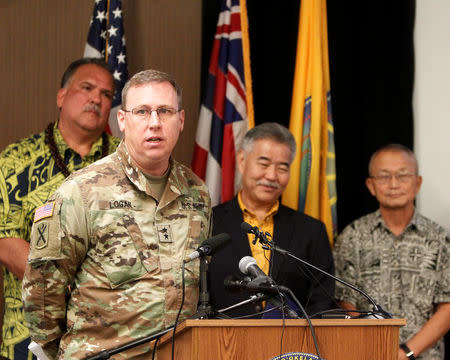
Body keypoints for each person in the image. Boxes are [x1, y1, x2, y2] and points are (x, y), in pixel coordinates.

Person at [22, 69, 212, 360]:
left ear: (181, 120)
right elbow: (43, 291)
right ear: (122, 120)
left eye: (165, 111)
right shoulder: (82, 192)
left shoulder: (196, 193)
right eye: (142, 111)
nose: (154, 123)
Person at [0, 58, 119, 360]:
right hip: (29, 340)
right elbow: (6, 242)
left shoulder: (128, 161)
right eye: (87, 88)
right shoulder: (15, 160)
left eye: (106, 94)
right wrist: (76, 289)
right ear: (61, 97)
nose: (96, 98)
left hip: (113, 338)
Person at [333, 144, 450, 360]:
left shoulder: (440, 239)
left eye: (402, 176)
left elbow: (447, 307)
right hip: (367, 354)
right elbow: (344, 301)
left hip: (424, 356)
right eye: (384, 177)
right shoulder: (352, 236)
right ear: (371, 185)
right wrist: (374, 346)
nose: (394, 184)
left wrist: (406, 352)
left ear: (418, 183)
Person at [209, 122, 335, 318]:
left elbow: (322, 301)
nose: (271, 175)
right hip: (223, 344)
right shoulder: (209, 222)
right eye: (264, 164)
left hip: (292, 346)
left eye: (282, 168)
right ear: (242, 160)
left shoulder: (311, 231)